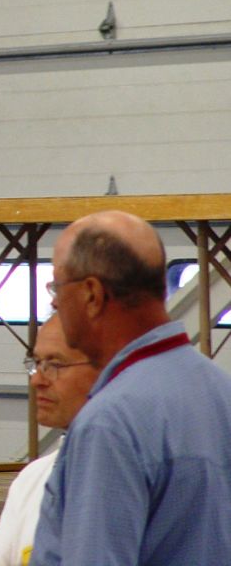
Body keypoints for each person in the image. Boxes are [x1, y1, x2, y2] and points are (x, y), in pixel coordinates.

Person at [30, 210, 231, 565]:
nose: (54, 302)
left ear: (92, 294)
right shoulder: (220, 391)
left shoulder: (110, 422)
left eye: (57, 287)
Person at [0, 315, 98, 566]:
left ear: (106, 370)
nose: (37, 380)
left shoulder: (127, 477)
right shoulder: (32, 479)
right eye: (36, 363)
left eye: (55, 365)